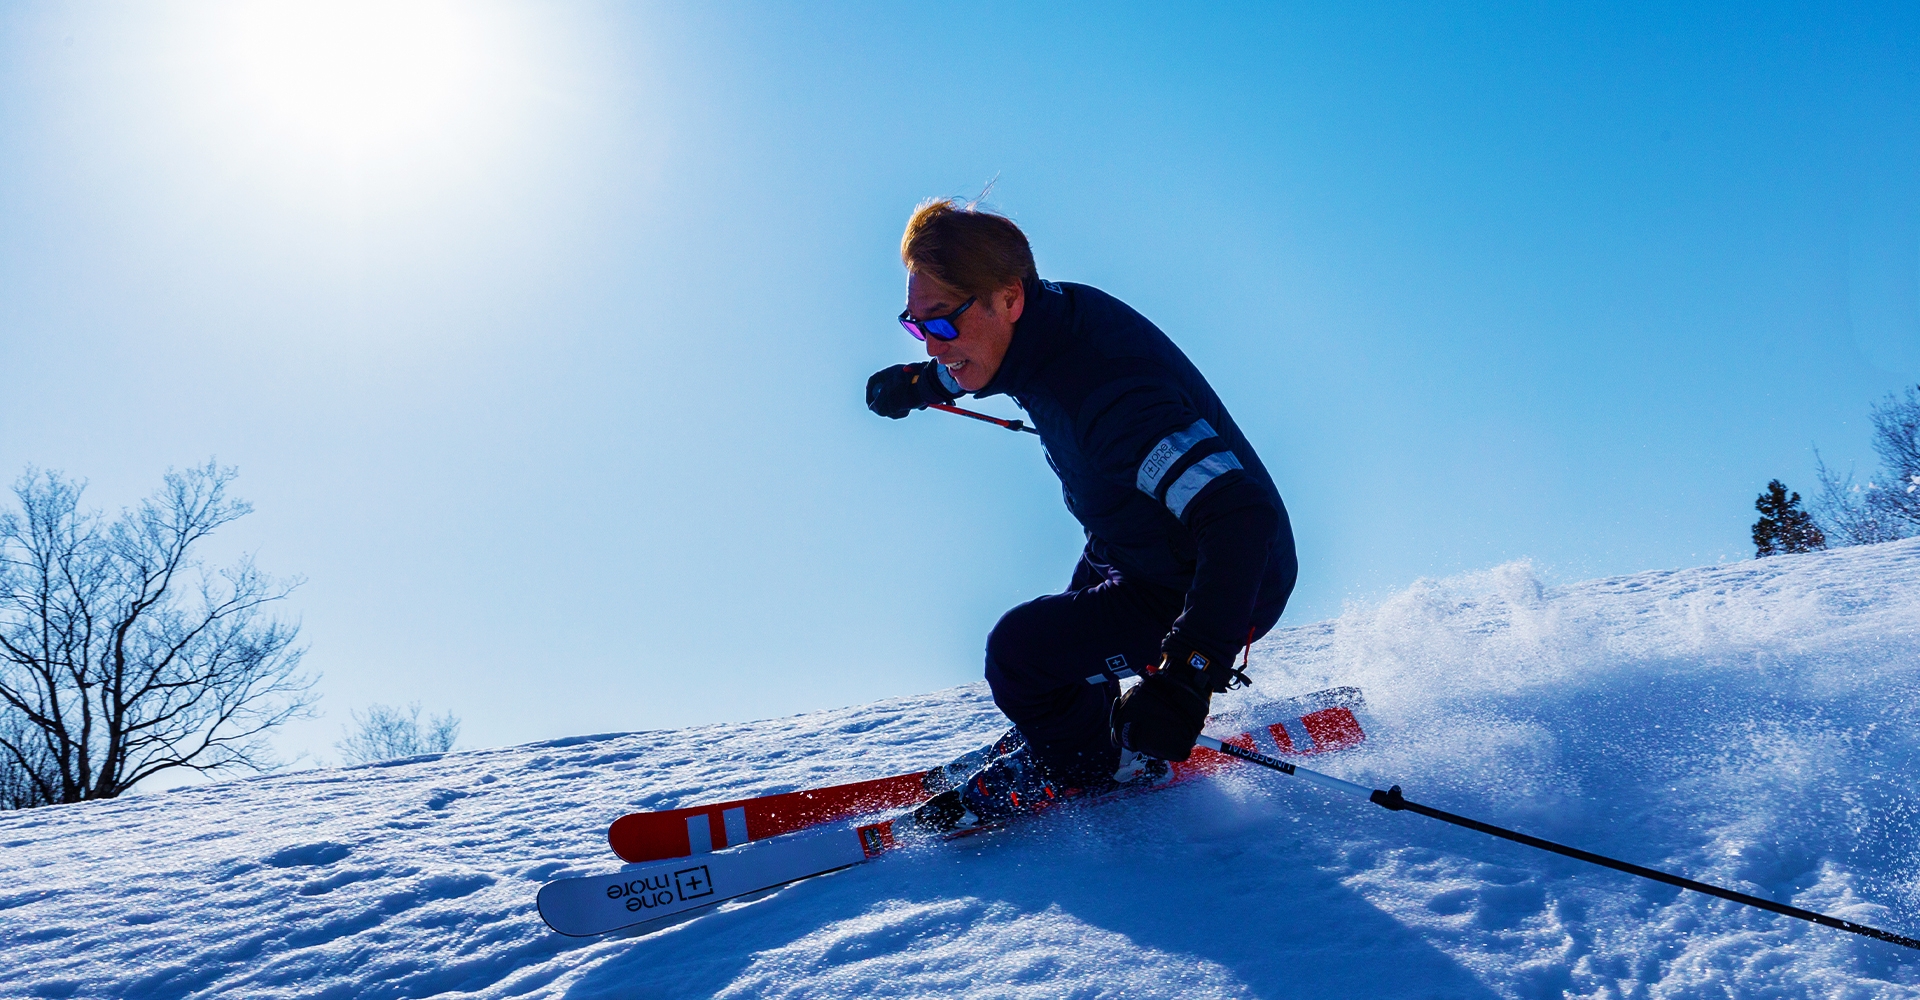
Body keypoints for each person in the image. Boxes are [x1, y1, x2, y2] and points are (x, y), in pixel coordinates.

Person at [866, 199, 1298, 828]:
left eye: (944, 323)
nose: (934, 343)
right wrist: (920, 385)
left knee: (1020, 655)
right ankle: (1078, 733)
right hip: (1136, 543)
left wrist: (1188, 676)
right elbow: (985, 362)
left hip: (1215, 578)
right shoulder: (1037, 322)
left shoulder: (1112, 398)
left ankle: (1099, 767)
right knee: (1067, 640)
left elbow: (1240, 518)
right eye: (917, 325)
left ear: (1008, 298)